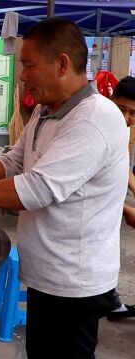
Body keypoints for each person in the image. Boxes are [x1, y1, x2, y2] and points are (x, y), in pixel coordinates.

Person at [0, 18, 127, 359]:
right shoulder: (47, 111)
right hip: (48, 275)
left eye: (29, 65)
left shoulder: (94, 119)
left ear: (62, 63)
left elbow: (37, 189)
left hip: (73, 283)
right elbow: (14, 163)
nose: (22, 75)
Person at [106, 75, 135, 321]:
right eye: (121, 108)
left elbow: (122, 166)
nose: (126, 118)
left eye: (134, 113)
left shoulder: (124, 131)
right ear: (111, 100)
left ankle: (111, 300)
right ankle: (109, 302)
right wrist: (123, 207)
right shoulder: (103, 127)